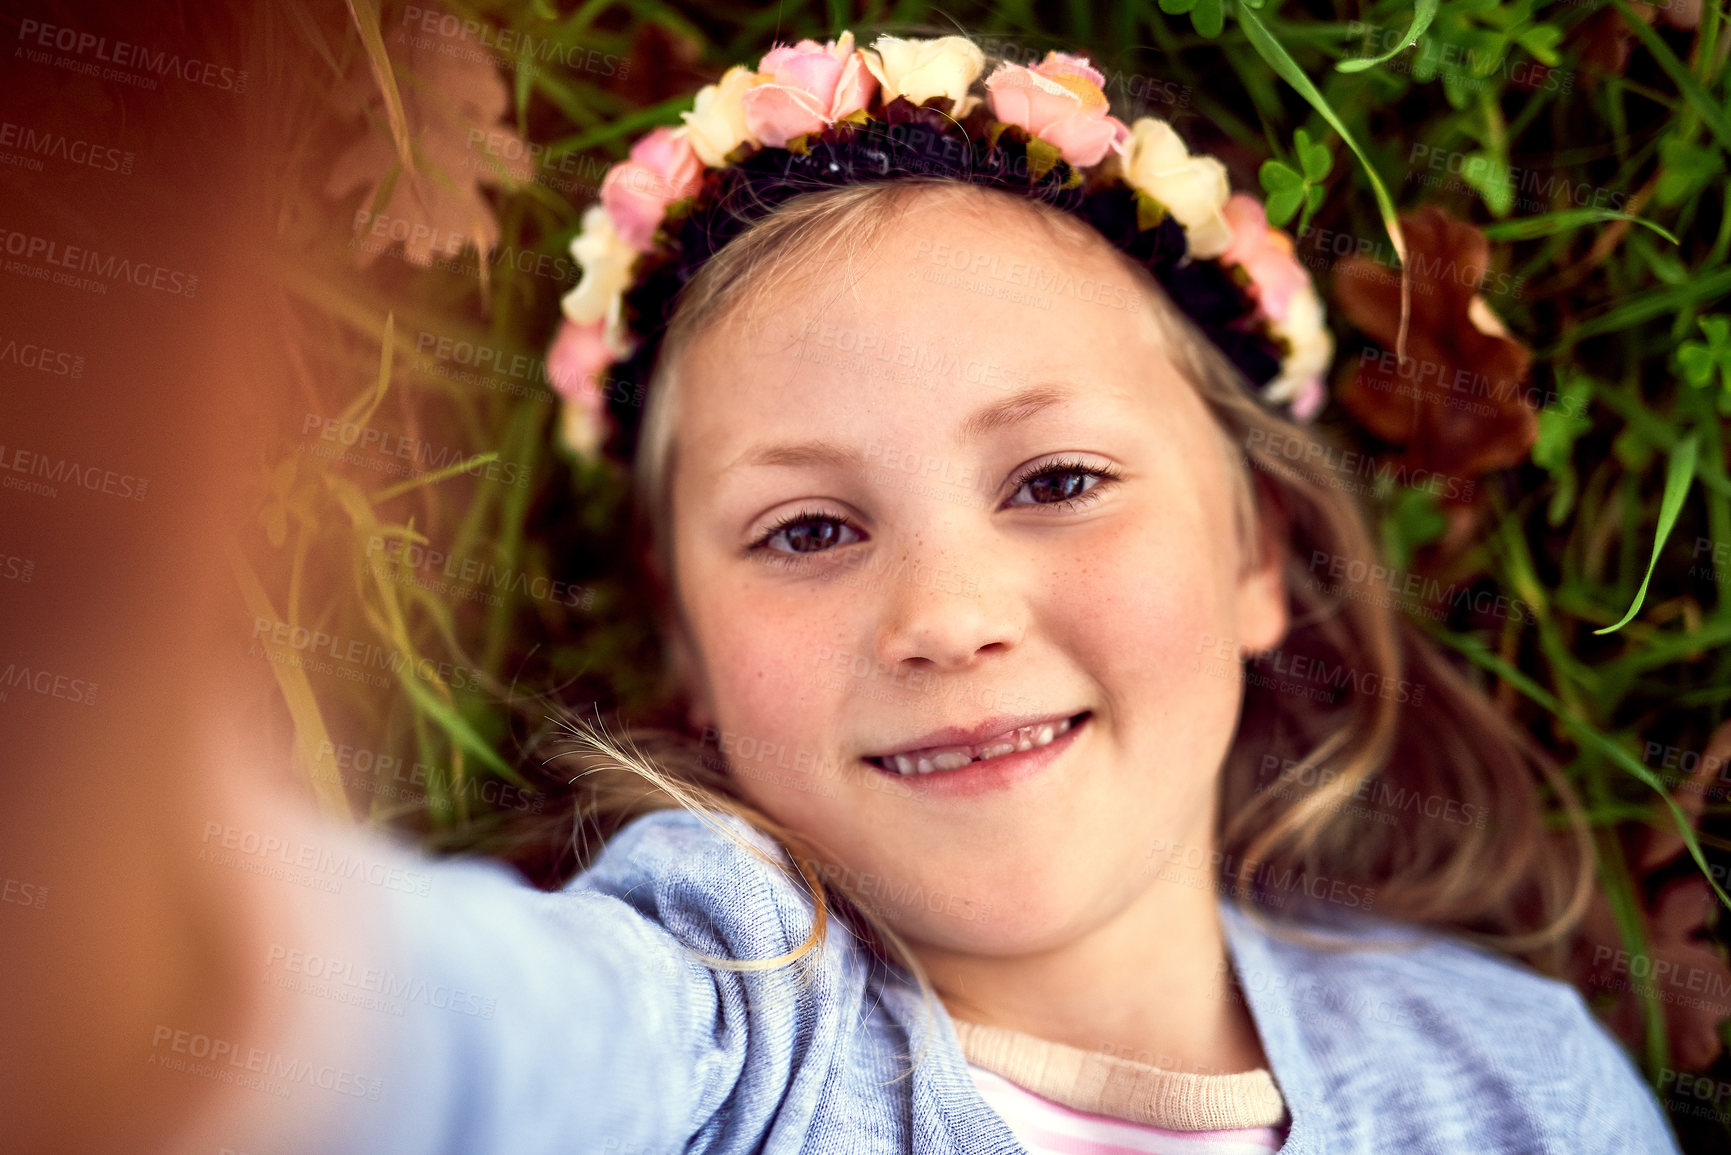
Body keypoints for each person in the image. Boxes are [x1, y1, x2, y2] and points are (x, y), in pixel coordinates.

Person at [0, 28, 1683, 1155]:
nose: (945, 614)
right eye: (808, 531)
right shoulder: (737, 1018)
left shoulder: (1509, 1080)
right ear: (697, 656)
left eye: (1057, 482)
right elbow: (463, 1039)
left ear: (1253, 550)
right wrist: (179, 946)